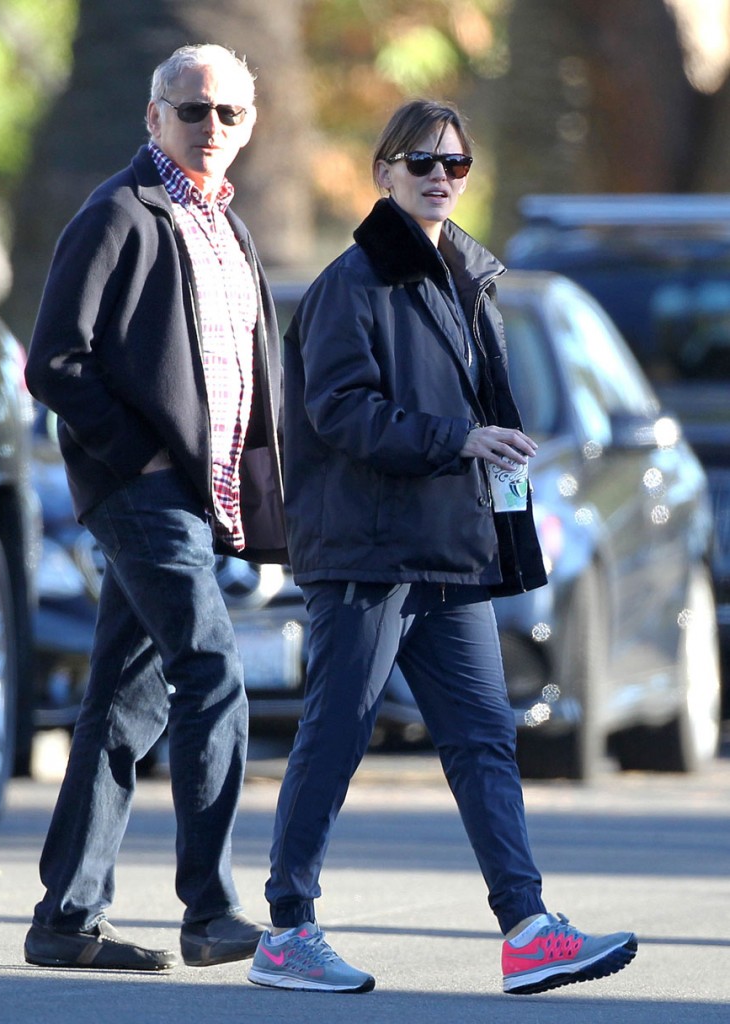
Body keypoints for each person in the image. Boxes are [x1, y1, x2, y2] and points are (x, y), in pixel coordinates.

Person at [247, 99, 638, 995]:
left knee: (483, 739)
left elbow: (473, 412)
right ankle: (287, 929)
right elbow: (338, 412)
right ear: (382, 172)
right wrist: (458, 438)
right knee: (336, 732)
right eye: (420, 162)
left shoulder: (468, 277)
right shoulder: (353, 284)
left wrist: (496, 452)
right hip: (367, 551)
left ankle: (529, 928)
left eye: (454, 165)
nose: (438, 177)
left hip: (449, 550)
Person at [23, 43, 287, 973]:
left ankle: (66, 918)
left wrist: (263, 499)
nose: (211, 128)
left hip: (197, 499)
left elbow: (246, 379)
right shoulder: (118, 215)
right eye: (192, 111)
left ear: (249, 126)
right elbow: (53, 359)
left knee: (122, 706)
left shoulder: (230, 230)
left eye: (229, 115)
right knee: (212, 670)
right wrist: (134, 458)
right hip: (140, 490)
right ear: (153, 117)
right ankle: (212, 909)